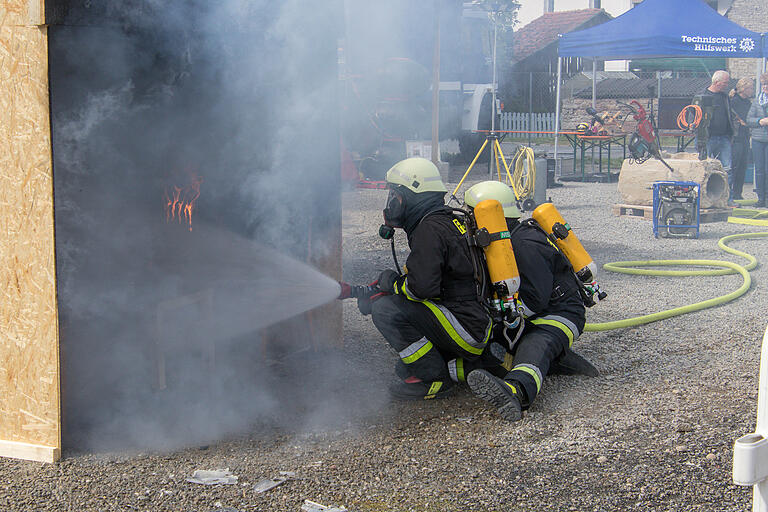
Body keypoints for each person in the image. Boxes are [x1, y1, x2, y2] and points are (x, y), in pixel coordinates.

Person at [462, 181, 595, 422]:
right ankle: (558, 362)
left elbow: (536, 298)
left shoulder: (524, 244)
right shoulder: (501, 243)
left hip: (560, 313)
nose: (467, 220)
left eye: (471, 213)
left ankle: (517, 391)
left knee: (536, 344)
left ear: (488, 215)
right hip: (534, 312)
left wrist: (498, 315)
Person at [370, 157, 494, 400]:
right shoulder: (447, 220)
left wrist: (392, 284)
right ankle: (456, 366)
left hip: (466, 327)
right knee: (403, 364)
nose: (392, 203)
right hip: (477, 319)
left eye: (395, 196)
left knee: (384, 309)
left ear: (412, 194)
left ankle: (433, 378)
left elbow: (421, 289)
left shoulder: (429, 229)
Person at [696, 70, 736, 204]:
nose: (727, 85)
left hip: (724, 137)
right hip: (708, 138)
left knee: (727, 168)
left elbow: (729, 115)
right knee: (705, 168)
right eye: (725, 82)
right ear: (717, 82)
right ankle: (705, 198)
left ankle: (726, 199)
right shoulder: (702, 96)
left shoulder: (725, 97)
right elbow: (694, 114)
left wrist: (732, 132)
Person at [729, 78, 755, 200]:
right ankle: (731, 193)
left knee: (743, 165)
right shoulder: (734, 101)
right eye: (750, 88)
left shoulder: (748, 103)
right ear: (744, 89)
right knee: (735, 165)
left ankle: (738, 192)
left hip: (745, 136)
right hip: (736, 137)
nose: (752, 91)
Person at [747, 73, 768, 208]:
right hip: (758, 139)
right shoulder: (757, 102)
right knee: (759, 169)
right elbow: (748, 119)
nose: (765, 88)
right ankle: (761, 197)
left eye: (767, 85)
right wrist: (759, 121)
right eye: (764, 85)